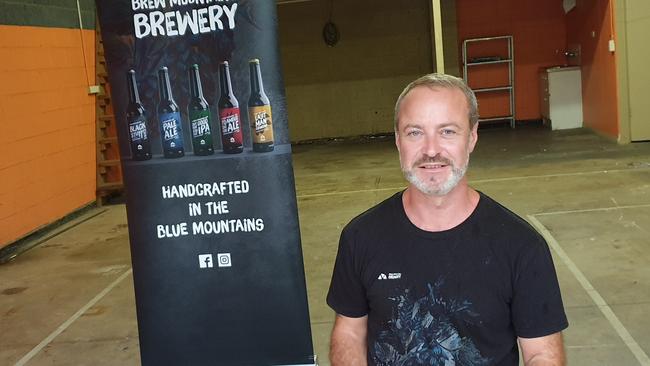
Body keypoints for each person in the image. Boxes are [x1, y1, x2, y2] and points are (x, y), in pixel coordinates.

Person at [327, 73, 568, 365]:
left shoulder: (522, 246)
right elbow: (350, 334)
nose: (431, 150)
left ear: (472, 137)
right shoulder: (360, 238)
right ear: (397, 140)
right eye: (415, 132)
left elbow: (541, 353)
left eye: (447, 132)